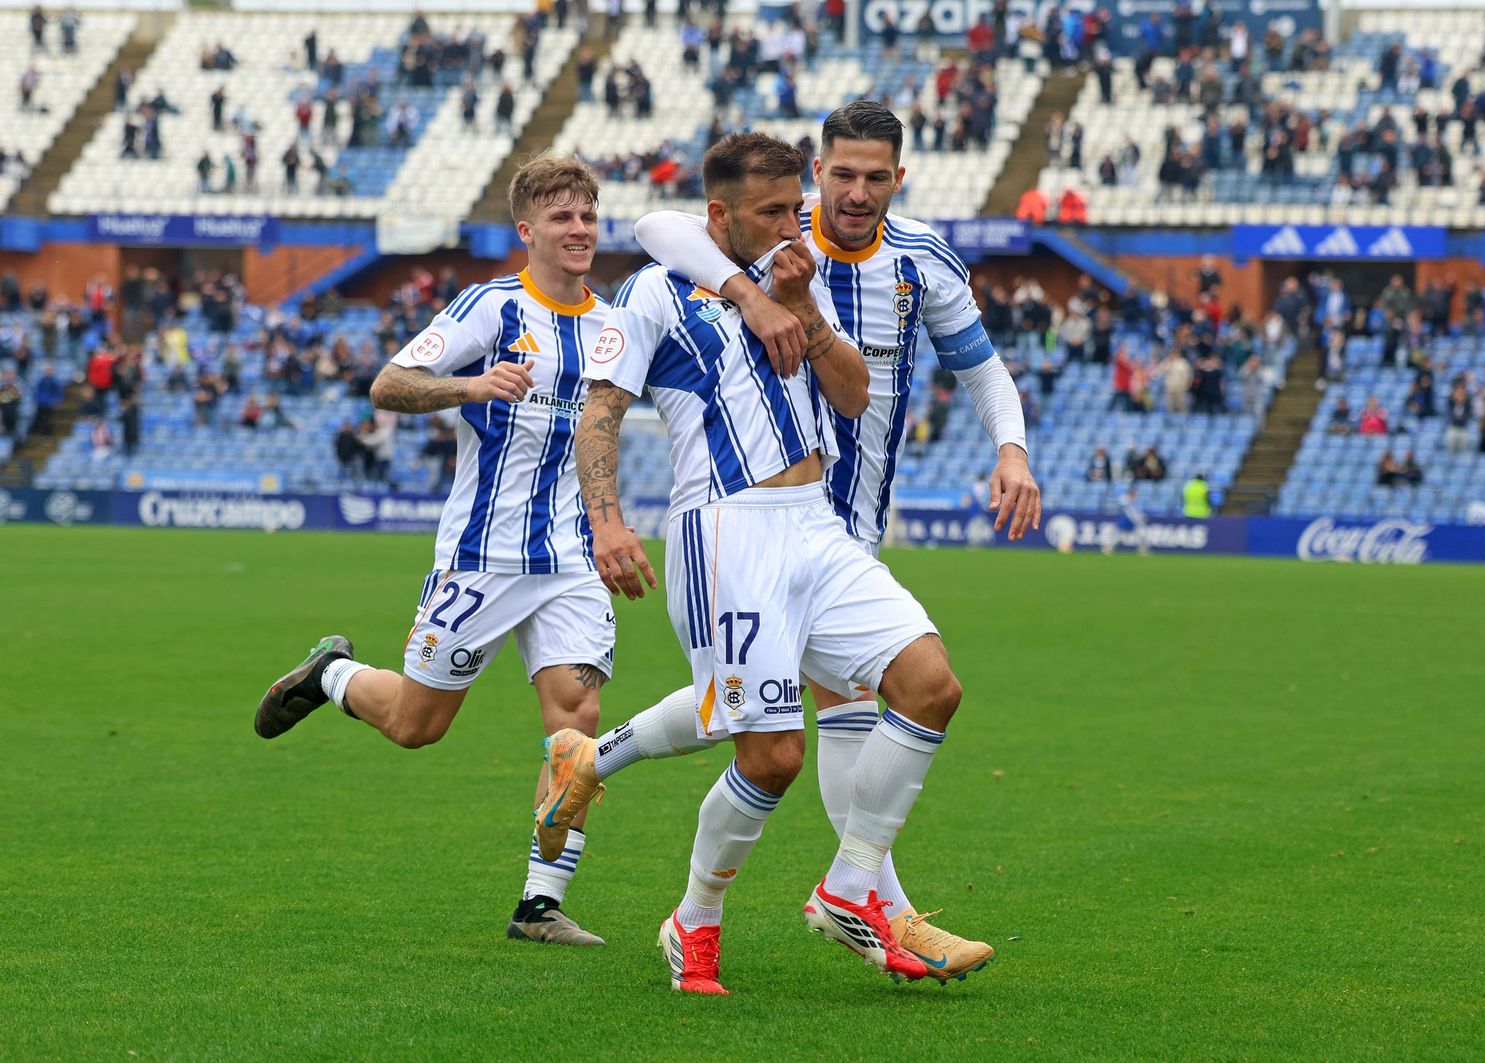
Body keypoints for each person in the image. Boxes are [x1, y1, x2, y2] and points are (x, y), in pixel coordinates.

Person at [591, 102, 1040, 983]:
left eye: (875, 177)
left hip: (838, 528)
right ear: (822, 170)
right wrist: (608, 519)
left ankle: (851, 889)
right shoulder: (670, 276)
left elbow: (880, 387)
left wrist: (1011, 448)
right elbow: (655, 229)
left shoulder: (870, 267)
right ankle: (746, 913)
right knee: (778, 743)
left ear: (898, 179)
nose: (848, 197)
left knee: (922, 687)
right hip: (729, 535)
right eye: (837, 178)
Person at [252, 154, 624, 948]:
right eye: (562, 217)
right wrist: (471, 385)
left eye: (589, 215)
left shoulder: (611, 323)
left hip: (569, 560)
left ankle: (539, 903)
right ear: (527, 231)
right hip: (479, 558)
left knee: (577, 722)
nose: (580, 229)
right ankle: (333, 672)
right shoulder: (491, 307)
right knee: (418, 726)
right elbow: (388, 383)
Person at [1105, 488, 1150, 556]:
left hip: (1130, 522)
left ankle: (1143, 550)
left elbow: (1134, 512)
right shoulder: (1125, 501)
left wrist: (1140, 517)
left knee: (1140, 536)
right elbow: (1130, 513)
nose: (1135, 497)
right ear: (1131, 495)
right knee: (1119, 537)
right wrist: (1139, 518)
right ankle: (1108, 548)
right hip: (1126, 521)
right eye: (1134, 495)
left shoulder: (1129, 502)